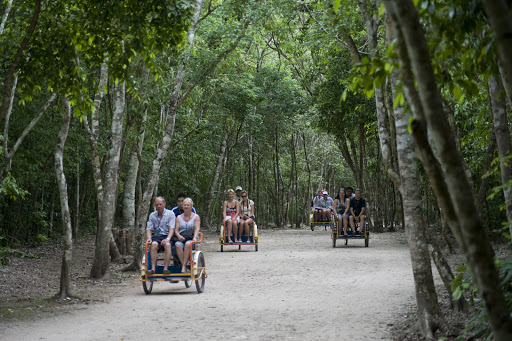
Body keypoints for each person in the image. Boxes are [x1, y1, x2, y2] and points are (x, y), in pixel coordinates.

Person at [145, 197, 175, 275]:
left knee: (167, 245)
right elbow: (149, 228)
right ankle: (153, 269)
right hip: (156, 237)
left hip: (167, 236)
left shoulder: (170, 214)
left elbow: (172, 228)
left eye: (160, 204)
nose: (159, 206)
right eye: (157, 204)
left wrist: (168, 238)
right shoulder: (152, 215)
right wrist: (149, 238)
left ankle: (165, 269)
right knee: (154, 244)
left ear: (164, 204)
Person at [174, 197, 200, 273]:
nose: (186, 206)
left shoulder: (196, 217)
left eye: (188, 205)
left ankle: (183, 266)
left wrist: (195, 237)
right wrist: (178, 236)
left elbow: (197, 229)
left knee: (188, 244)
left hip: (192, 237)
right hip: (181, 237)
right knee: (177, 245)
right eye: (184, 205)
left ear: (191, 206)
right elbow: (176, 229)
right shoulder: (179, 217)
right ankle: (184, 266)